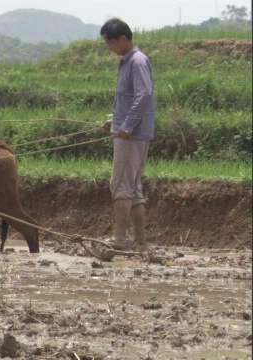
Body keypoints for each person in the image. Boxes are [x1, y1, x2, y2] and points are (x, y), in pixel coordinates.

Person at [99, 18, 155, 251]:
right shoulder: (128, 61)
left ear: (122, 39)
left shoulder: (137, 61)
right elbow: (131, 98)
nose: (110, 48)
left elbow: (144, 95)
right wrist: (116, 121)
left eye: (110, 43)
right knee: (133, 187)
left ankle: (119, 239)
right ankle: (140, 242)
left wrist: (127, 125)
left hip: (131, 136)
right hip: (131, 131)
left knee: (120, 185)